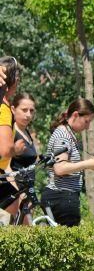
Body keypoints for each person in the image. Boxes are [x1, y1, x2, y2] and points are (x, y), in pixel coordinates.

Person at [41, 98, 94, 226]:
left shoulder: (67, 133)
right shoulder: (63, 135)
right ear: (75, 115)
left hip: (64, 196)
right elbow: (60, 168)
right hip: (62, 196)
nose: (87, 127)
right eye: (87, 121)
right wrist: (87, 164)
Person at [2, 93, 40, 220]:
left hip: (28, 192)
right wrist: (18, 192)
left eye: (31, 111)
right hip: (14, 195)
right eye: (24, 110)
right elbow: (5, 165)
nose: (28, 114)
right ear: (13, 109)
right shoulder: (10, 132)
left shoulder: (27, 132)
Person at [0, 57, 25, 212]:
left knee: (20, 206)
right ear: (14, 80)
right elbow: (4, 150)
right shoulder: (3, 109)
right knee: (22, 209)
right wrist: (15, 149)